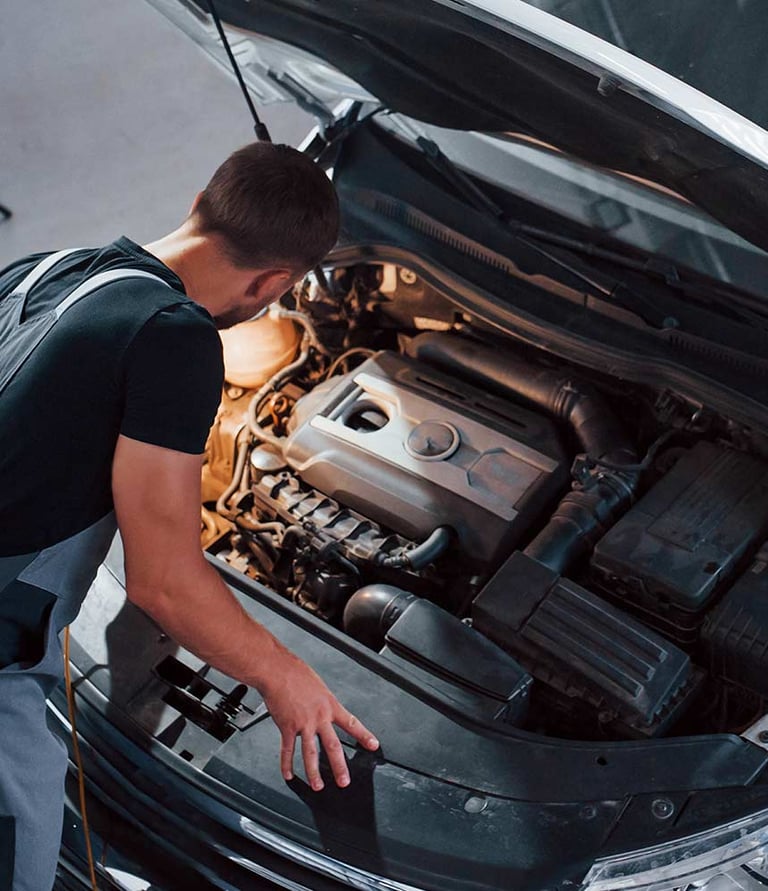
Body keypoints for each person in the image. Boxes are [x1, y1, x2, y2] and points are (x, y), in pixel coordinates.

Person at [0, 142, 379, 891]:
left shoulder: (46, 268)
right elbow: (164, 583)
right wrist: (284, 673)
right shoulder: (174, 338)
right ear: (274, 280)